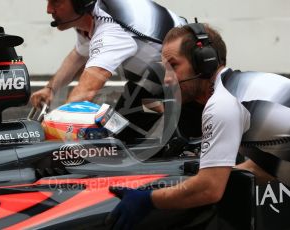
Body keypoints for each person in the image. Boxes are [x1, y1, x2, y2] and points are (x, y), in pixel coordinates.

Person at [106, 22, 290, 229]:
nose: (166, 80)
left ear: (204, 63)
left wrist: (148, 199)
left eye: (173, 66)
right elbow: (265, 165)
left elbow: (209, 189)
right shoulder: (246, 88)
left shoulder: (223, 103)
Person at [30, 0, 187, 142]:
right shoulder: (93, 18)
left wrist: (49, 126)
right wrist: (51, 89)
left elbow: (85, 92)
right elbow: (77, 56)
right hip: (156, 85)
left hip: (188, 84)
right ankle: (159, 108)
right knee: (120, 136)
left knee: (184, 146)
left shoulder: (110, 31)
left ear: (81, 4)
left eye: (56, 2)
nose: (49, 10)